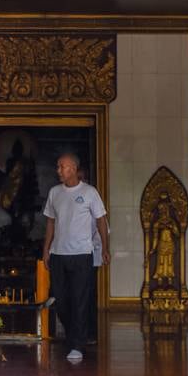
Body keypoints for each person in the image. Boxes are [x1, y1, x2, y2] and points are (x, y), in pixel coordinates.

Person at [42, 153, 109, 363]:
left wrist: (105, 248)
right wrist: (46, 250)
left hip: (82, 254)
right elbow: (51, 222)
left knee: (80, 299)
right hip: (59, 254)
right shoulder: (55, 192)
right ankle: (74, 335)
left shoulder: (89, 193)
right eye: (58, 166)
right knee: (60, 299)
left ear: (73, 168)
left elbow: (101, 221)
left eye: (62, 167)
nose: (58, 170)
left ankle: (76, 344)